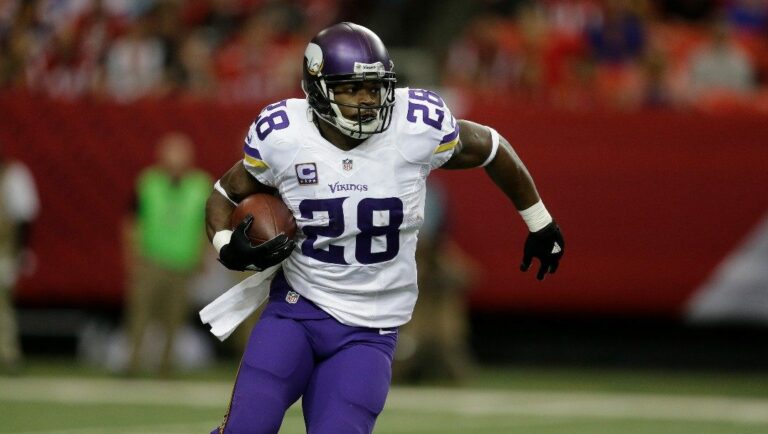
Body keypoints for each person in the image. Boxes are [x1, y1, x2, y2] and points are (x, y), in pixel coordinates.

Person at [205, 22, 565, 433]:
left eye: (374, 88)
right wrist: (225, 244)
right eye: (351, 88)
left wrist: (540, 222)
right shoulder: (285, 134)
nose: (367, 100)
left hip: (370, 329)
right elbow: (225, 192)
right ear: (317, 88)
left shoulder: (414, 127)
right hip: (296, 310)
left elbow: (491, 147)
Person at [122, 132, 212, 377]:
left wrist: (203, 255)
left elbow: (207, 224)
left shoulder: (201, 185)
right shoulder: (148, 182)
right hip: (151, 259)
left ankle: (166, 366)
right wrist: (131, 254)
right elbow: (131, 221)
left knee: (175, 318)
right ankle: (132, 362)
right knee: (140, 314)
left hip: (183, 262)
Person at [0, 143, 39, 374]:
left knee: (2, 303)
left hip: (4, 249)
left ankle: (8, 354)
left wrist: (21, 251)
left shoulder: (14, 175)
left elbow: (25, 216)